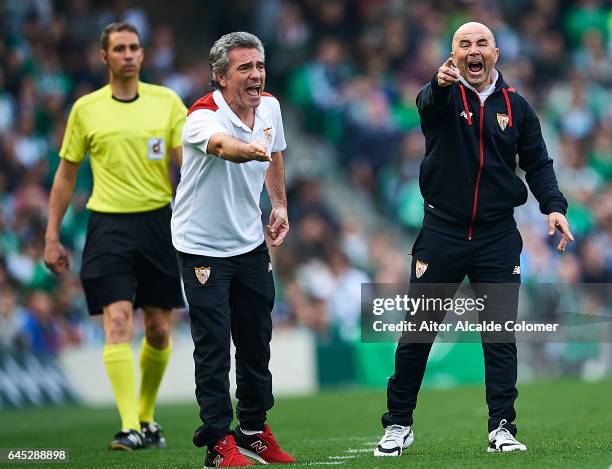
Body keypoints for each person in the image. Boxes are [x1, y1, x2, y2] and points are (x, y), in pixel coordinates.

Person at [374, 22, 573, 457]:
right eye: (464, 44)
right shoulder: (443, 96)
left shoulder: (517, 106)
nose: (473, 50)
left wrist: (554, 207)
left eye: (481, 43)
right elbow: (427, 103)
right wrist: (437, 83)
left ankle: (501, 427)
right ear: (453, 56)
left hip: (498, 237)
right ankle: (398, 425)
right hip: (441, 233)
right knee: (418, 333)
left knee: (500, 336)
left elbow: (538, 163)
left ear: (496, 53)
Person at [44, 22, 186, 451]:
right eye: (119, 48)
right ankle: (129, 425)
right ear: (104, 57)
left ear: (143, 55)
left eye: (134, 47)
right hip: (107, 225)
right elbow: (65, 176)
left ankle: (145, 416)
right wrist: (52, 235)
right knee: (118, 320)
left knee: (160, 331)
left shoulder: (167, 103)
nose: (128, 54)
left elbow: (190, 168)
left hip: (158, 222)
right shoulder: (86, 109)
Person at [171, 32, 295, 468]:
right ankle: (218, 443)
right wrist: (249, 149)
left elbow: (275, 155)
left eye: (259, 66)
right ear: (221, 77)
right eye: (244, 68)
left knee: (257, 339)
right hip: (202, 246)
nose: (256, 75)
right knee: (213, 348)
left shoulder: (271, 108)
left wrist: (278, 203)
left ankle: (253, 430)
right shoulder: (202, 116)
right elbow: (225, 148)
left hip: (248, 243)